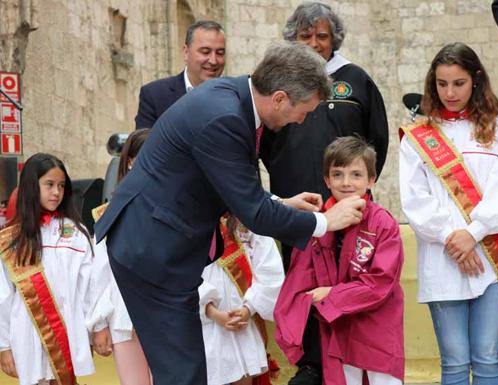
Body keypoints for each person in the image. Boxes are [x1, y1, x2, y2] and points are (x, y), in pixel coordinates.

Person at [95, 41, 367, 385]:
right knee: (183, 372)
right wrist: (327, 221)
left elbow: (228, 185)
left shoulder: (231, 97)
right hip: (153, 250)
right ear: (280, 98)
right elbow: (253, 213)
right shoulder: (224, 118)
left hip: (159, 243)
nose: (303, 120)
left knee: (183, 369)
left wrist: (280, 203)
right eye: (305, 111)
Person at [399, 42, 498, 385]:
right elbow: (416, 199)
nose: (450, 92)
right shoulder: (418, 137)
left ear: (476, 80)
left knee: (486, 359)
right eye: (442, 84)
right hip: (443, 256)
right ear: (432, 84)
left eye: (459, 83)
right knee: (454, 361)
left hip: (489, 254)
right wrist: (454, 239)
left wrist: (474, 233)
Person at [260, 1, 389, 266]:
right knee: (300, 278)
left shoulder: (356, 79)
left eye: (322, 36)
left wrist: (356, 180)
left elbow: (378, 139)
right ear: (293, 40)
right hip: (297, 205)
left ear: (335, 39)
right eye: (305, 36)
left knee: (353, 272)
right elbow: (266, 141)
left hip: (348, 200)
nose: (314, 43)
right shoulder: (278, 83)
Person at [275, 136, 404, 385]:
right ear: (326, 180)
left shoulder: (382, 223)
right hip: (336, 330)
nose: (346, 183)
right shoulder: (318, 224)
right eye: (337, 174)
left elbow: (380, 283)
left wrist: (331, 294)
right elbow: (298, 280)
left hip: (376, 328)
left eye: (356, 175)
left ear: (371, 180)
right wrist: (302, 302)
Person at [0, 153, 101, 385]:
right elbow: (3, 295)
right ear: (30, 186)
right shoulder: (12, 239)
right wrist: (4, 345)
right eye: (49, 185)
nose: (56, 192)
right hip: (27, 333)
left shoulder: (76, 233)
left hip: (69, 330)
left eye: (61, 186)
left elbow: (89, 287)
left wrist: (94, 328)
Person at [88, 129, 152, 385]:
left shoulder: (175, 205)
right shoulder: (109, 212)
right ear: (129, 161)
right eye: (145, 155)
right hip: (125, 316)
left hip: (166, 313)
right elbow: (101, 273)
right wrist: (99, 323)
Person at [199, 214, 284, 385]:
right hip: (202, 326)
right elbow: (178, 274)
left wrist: (248, 309)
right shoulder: (188, 221)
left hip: (243, 324)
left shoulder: (250, 222)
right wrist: (211, 311)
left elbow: (270, 271)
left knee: (244, 374)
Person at [135, 20, 226, 128]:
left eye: (220, 53)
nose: (213, 60)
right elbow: (143, 143)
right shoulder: (155, 95)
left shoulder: (236, 99)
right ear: (186, 52)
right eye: (205, 52)